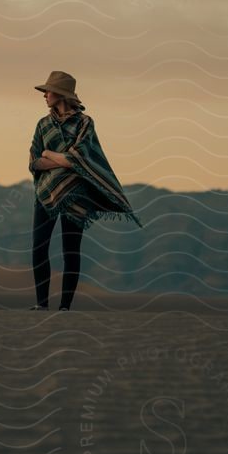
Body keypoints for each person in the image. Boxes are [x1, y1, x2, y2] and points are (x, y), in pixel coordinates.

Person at [26, 70, 143, 311]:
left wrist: (51, 155)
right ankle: (42, 304)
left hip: (76, 195)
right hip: (46, 193)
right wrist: (56, 158)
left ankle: (65, 306)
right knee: (39, 246)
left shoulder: (85, 122)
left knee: (70, 249)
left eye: (47, 91)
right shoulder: (43, 124)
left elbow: (79, 158)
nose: (44, 95)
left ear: (60, 94)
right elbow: (34, 161)